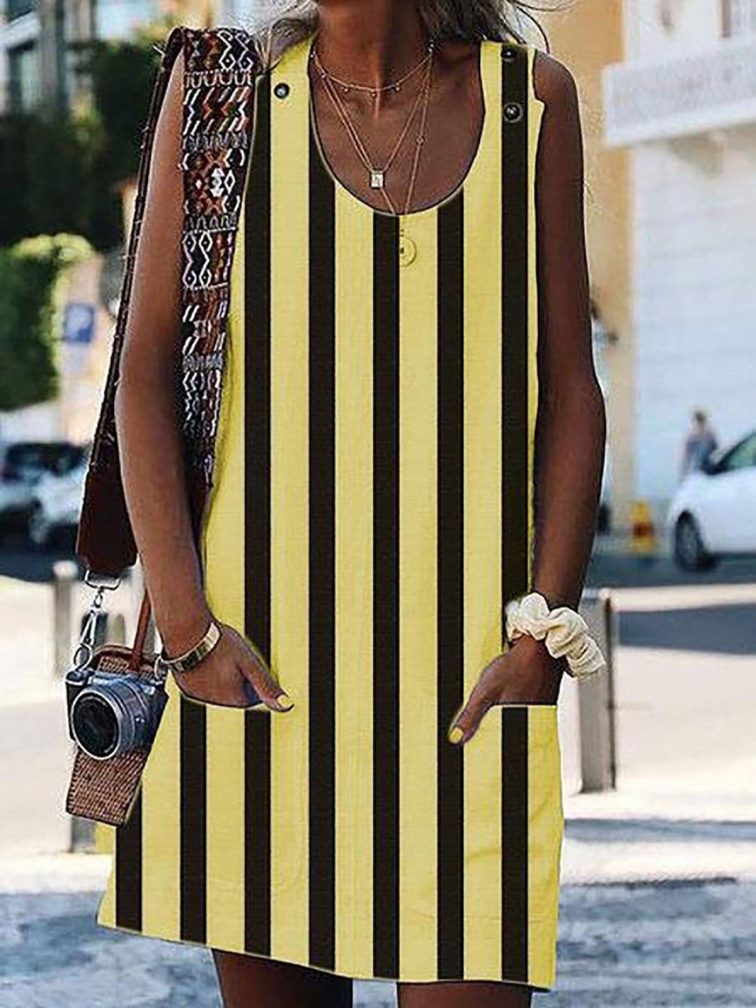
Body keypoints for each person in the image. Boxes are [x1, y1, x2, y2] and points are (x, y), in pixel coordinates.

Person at [96, 2, 605, 1006]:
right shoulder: (220, 101)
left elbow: (571, 392)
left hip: (470, 689)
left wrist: (544, 634)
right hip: (256, 671)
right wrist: (190, 635)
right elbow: (143, 377)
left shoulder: (530, 104)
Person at [681, 409, 718, 480]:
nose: (700, 424)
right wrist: (684, 474)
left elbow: (716, 452)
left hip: (709, 469)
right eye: (698, 422)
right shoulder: (692, 438)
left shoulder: (710, 436)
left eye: (702, 421)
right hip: (698, 471)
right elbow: (687, 458)